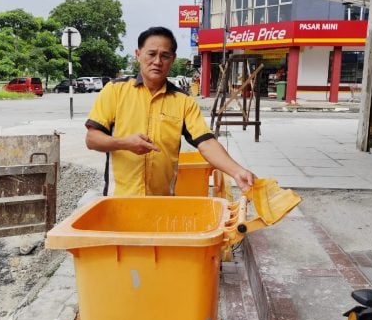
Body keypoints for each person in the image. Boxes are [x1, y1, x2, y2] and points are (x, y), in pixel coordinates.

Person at [85, 26, 256, 196]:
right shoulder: (115, 90)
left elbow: (206, 143)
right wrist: (125, 143)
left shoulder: (183, 101)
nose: (158, 61)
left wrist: (237, 171)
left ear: (172, 59)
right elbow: (92, 139)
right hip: (119, 200)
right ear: (138, 55)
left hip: (162, 203)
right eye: (151, 54)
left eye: (165, 56)